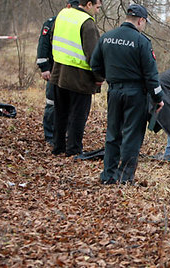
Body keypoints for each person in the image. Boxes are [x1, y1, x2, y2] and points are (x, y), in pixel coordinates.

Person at [90, 4, 164, 185]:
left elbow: (94, 65)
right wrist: (158, 98)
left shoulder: (106, 38)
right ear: (141, 20)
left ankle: (108, 175)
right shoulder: (142, 42)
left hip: (114, 91)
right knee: (132, 135)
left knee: (113, 133)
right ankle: (124, 178)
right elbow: (151, 75)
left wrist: (108, 77)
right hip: (136, 94)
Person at [50, 0, 103, 157]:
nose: (98, 11)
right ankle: (73, 150)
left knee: (60, 113)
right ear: (88, 4)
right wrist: (99, 77)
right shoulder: (87, 23)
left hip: (59, 73)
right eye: (97, 7)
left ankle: (58, 147)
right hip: (80, 78)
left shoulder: (63, 14)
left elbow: (53, 38)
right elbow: (93, 55)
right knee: (78, 116)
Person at [36, 0, 79, 145]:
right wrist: (44, 67)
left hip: (71, 71)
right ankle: (50, 135)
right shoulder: (53, 22)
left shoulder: (79, 23)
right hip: (54, 69)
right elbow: (43, 44)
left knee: (68, 105)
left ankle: (63, 135)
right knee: (52, 103)